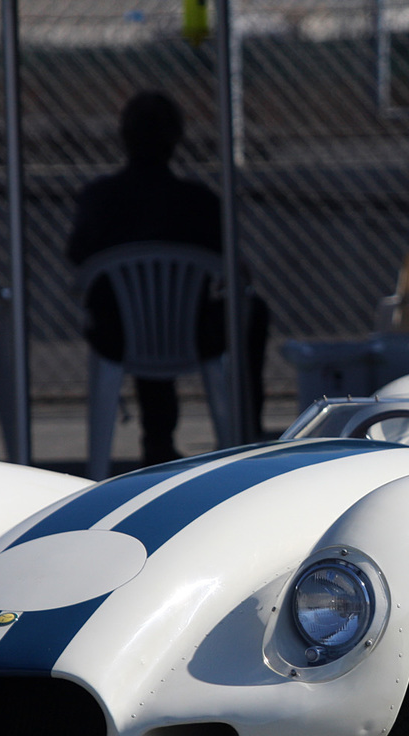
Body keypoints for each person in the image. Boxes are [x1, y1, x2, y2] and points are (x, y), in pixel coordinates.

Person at [67, 90, 268, 466]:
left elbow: (77, 257)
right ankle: (245, 427)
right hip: (192, 332)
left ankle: (157, 439)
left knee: (140, 309)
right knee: (249, 310)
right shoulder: (198, 201)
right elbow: (236, 270)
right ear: (177, 139)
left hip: (119, 335)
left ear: (123, 136)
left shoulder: (99, 198)